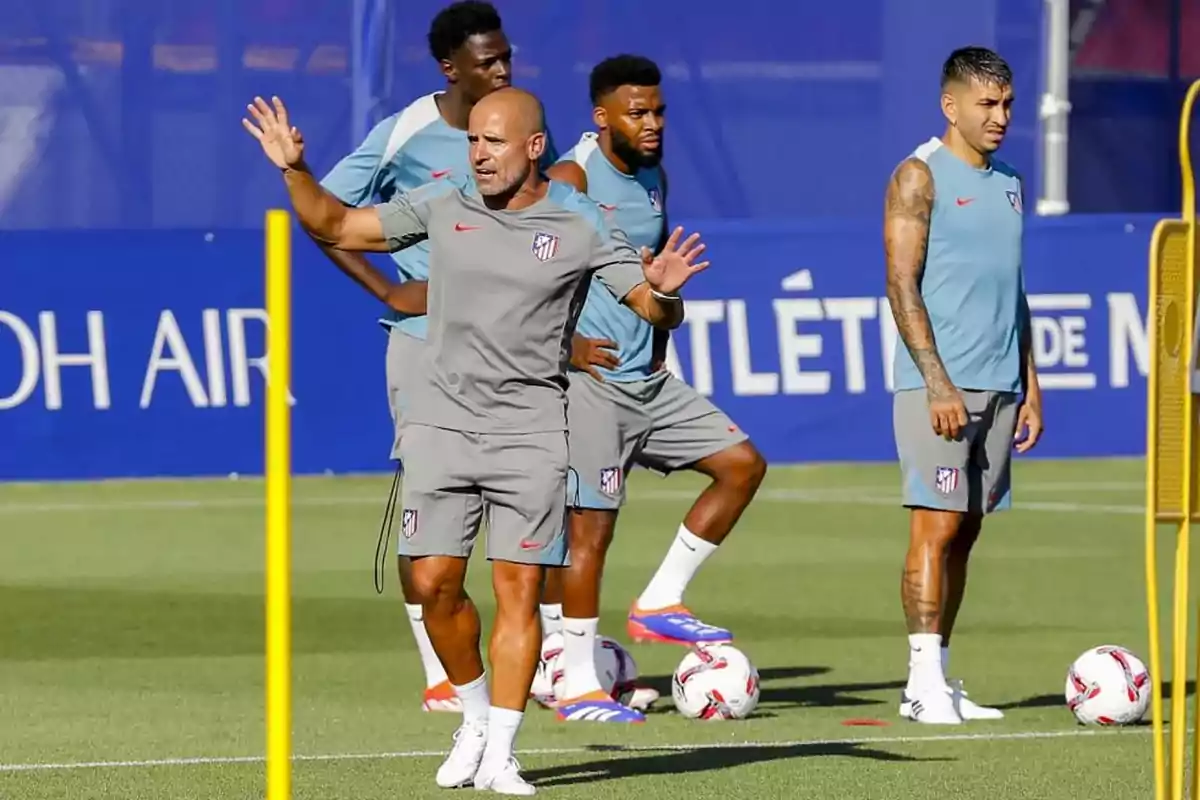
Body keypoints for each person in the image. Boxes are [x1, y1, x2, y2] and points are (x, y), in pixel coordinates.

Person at [243, 87, 708, 793]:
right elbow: (337, 224)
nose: (479, 154)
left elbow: (647, 303)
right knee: (433, 586)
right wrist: (293, 171)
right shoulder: (445, 202)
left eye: (493, 142)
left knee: (518, 592)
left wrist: (666, 293)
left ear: (531, 147)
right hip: (440, 421)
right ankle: (474, 713)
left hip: (532, 430)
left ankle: (504, 753)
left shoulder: (578, 219)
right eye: (472, 141)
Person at [315, 1, 556, 714]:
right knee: (431, 516)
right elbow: (327, 215)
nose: (503, 69)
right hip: (425, 349)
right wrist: (390, 287)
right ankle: (441, 674)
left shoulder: (519, 133)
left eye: (507, 57)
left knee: (528, 519)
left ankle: (545, 660)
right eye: (488, 61)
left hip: (511, 358)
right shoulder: (408, 134)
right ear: (451, 69)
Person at [538, 55, 766, 724]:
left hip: (648, 379)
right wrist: (564, 349)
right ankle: (577, 683)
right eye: (638, 113)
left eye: (660, 111)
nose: (654, 123)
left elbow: (658, 282)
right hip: (592, 385)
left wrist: (663, 341)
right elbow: (530, 274)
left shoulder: (653, 178)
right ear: (601, 116)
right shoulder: (570, 178)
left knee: (741, 465)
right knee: (590, 535)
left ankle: (659, 601)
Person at [883, 46, 1043, 725]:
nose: (1000, 116)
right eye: (986, 104)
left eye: (1006, 103)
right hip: (939, 387)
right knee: (937, 523)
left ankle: (939, 678)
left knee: (968, 531)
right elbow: (901, 281)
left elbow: (1015, 289)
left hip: (1000, 382)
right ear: (951, 106)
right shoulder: (919, 176)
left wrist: (1031, 384)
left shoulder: (1009, 181)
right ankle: (920, 682)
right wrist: (937, 383)